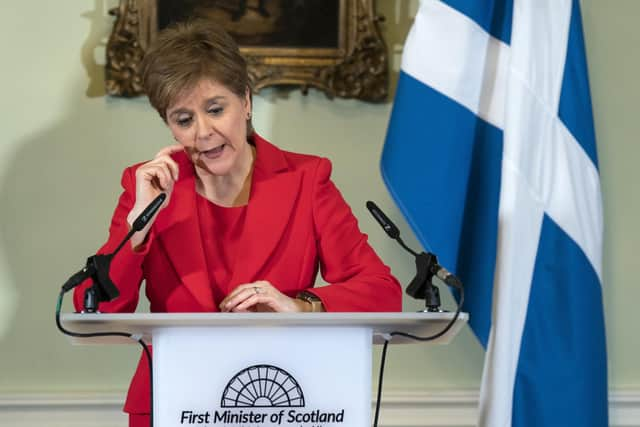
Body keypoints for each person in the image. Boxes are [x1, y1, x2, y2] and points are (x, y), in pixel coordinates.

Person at [73, 20, 401, 427]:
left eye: (215, 109)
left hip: (283, 400)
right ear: (168, 125)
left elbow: (383, 293)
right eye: (183, 118)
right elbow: (96, 309)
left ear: (245, 101)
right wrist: (138, 229)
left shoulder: (307, 179)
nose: (203, 133)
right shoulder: (146, 184)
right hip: (171, 401)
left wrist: (302, 305)